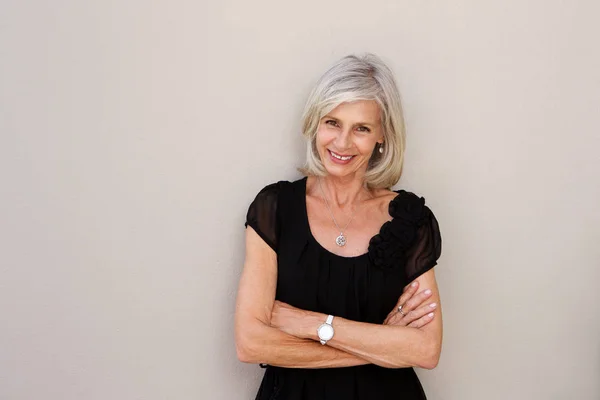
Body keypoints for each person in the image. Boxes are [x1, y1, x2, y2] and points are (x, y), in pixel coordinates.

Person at [235, 53, 443, 400]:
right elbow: (250, 342)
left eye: (361, 128)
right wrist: (381, 347)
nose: (343, 143)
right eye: (333, 122)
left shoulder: (408, 220)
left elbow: (425, 349)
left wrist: (310, 324)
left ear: (382, 136)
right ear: (315, 123)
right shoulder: (275, 208)